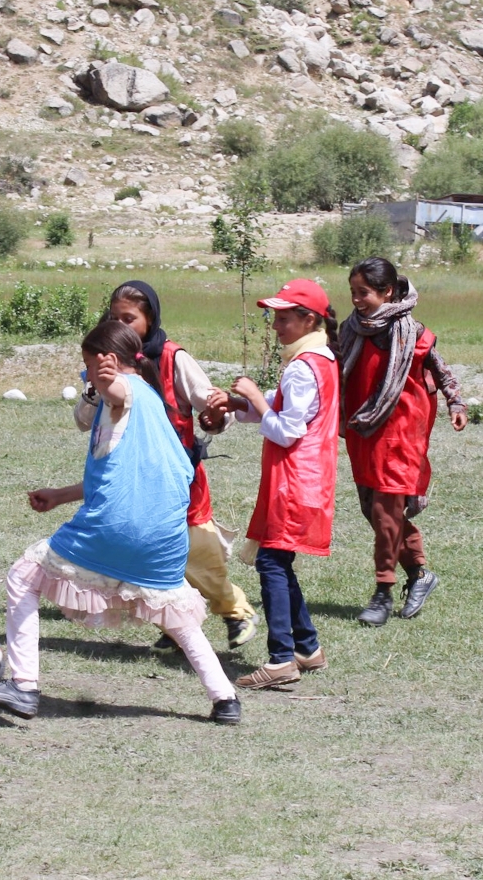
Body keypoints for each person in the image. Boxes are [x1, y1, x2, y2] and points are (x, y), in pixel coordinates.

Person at [0, 321, 242, 724]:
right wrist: (60, 495)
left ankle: (23, 687)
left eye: (87, 367)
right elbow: (117, 475)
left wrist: (106, 378)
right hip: (164, 538)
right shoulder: (153, 408)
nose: (86, 378)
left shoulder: (125, 391)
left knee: (24, 576)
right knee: (175, 616)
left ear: (108, 362)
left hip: (118, 529)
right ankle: (225, 699)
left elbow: (116, 391)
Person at [76, 281, 258, 652]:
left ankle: (236, 610)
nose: (122, 326)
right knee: (154, 550)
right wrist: (97, 383)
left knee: (195, 550)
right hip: (130, 478)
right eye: (115, 318)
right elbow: (83, 419)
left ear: (150, 318)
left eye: (130, 318)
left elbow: (214, 407)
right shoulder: (105, 360)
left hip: (177, 478)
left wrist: (214, 419)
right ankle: (178, 623)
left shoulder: (174, 358)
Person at [212, 279, 338, 691]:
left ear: (308, 320)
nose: (275, 326)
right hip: (306, 477)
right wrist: (243, 405)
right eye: (275, 317)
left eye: (284, 318)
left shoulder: (303, 366)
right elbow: (285, 412)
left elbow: (286, 429)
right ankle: (306, 647)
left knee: (270, 562)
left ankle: (282, 658)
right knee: (277, 562)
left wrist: (255, 397)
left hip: (295, 479)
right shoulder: (319, 359)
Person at [339, 257, 467, 626]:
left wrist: (456, 401)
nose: (357, 300)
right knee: (375, 510)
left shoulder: (413, 333)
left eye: (364, 293)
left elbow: (441, 369)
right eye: (353, 293)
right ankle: (420, 574)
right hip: (364, 429)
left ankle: (383, 591)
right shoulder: (351, 330)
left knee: (384, 510)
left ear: (388, 292)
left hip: (401, 432)